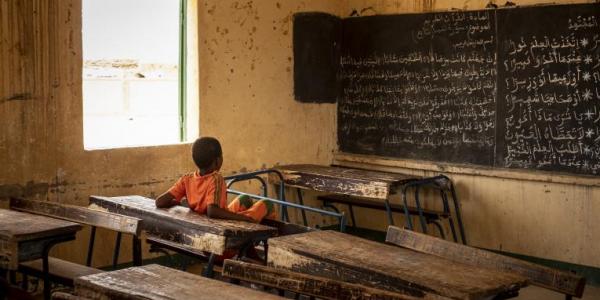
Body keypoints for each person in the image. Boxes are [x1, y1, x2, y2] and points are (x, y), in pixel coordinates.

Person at [155, 137, 276, 223]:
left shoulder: (186, 179)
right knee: (267, 204)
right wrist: (245, 218)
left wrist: (178, 203)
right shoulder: (216, 178)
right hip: (223, 240)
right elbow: (213, 211)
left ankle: (251, 251)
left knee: (245, 199)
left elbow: (159, 202)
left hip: (205, 229)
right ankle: (264, 242)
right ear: (217, 160)